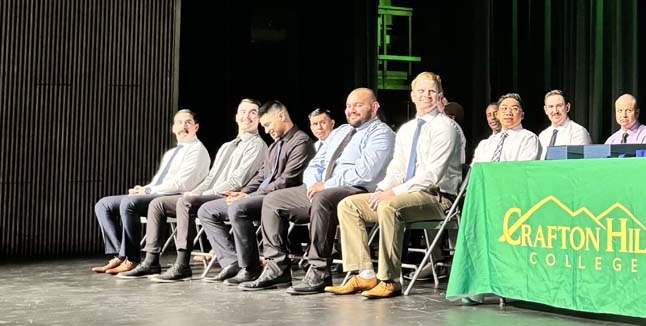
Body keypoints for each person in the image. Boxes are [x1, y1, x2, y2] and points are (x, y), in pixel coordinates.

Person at [242, 87, 394, 294]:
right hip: (321, 188)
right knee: (273, 200)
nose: (351, 110)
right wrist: (314, 183)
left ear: (374, 107)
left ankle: (319, 271)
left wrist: (326, 185)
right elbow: (316, 162)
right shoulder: (340, 131)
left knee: (323, 198)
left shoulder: (382, 133)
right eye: (349, 106)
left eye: (358, 105)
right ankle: (276, 268)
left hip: (356, 190)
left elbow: (365, 172)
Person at [329, 72, 464, 299]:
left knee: (389, 206)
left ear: (440, 95)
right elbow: (397, 168)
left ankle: (390, 279)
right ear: (412, 95)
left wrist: (392, 193)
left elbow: (432, 175)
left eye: (431, 91)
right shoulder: (407, 129)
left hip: (437, 198)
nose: (425, 95)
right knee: (348, 205)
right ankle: (365, 273)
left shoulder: (445, 127)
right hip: (403, 195)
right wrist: (383, 189)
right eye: (420, 91)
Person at [119, 99, 267, 280]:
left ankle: (182, 264)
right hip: (209, 194)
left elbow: (237, 181)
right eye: (243, 112)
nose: (247, 116)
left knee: (186, 201)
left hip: (227, 196)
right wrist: (197, 191)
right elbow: (211, 177)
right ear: (236, 117)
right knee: (158, 204)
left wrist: (202, 194)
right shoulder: (227, 146)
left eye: (253, 112)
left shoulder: (257, 145)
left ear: (259, 118)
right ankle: (151, 261)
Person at [193, 101, 313, 284]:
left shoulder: (300, 142)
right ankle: (231, 261)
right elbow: (260, 176)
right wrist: (242, 192)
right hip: (259, 196)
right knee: (206, 210)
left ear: (281, 116)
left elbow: (286, 181)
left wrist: (249, 196)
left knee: (238, 208)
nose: (266, 130)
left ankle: (250, 268)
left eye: (267, 124)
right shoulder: (274, 146)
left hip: (281, 199)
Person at [92, 110, 211, 275]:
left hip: (175, 198)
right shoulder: (172, 153)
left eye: (188, 122)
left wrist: (148, 190)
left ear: (196, 127)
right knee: (103, 204)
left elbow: (182, 184)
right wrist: (143, 189)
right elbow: (160, 181)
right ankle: (120, 254)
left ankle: (132, 259)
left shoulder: (197, 151)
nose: (183, 126)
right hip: (157, 192)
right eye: (179, 122)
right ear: (173, 128)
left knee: (129, 203)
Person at [472, 93, 541, 162]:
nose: (508, 113)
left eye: (514, 109)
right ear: (497, 115)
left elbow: (524, 169)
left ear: (522, 115)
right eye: (504, 108)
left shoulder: (528, 138)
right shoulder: (486, 143)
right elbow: (475, 169)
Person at [538, 89, 591, 157]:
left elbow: (579, 164)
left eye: (559, 106)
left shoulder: (578, 132)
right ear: (546, 110)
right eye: (551, 106)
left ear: (567, 107)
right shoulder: (543, 135)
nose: (555, 111)